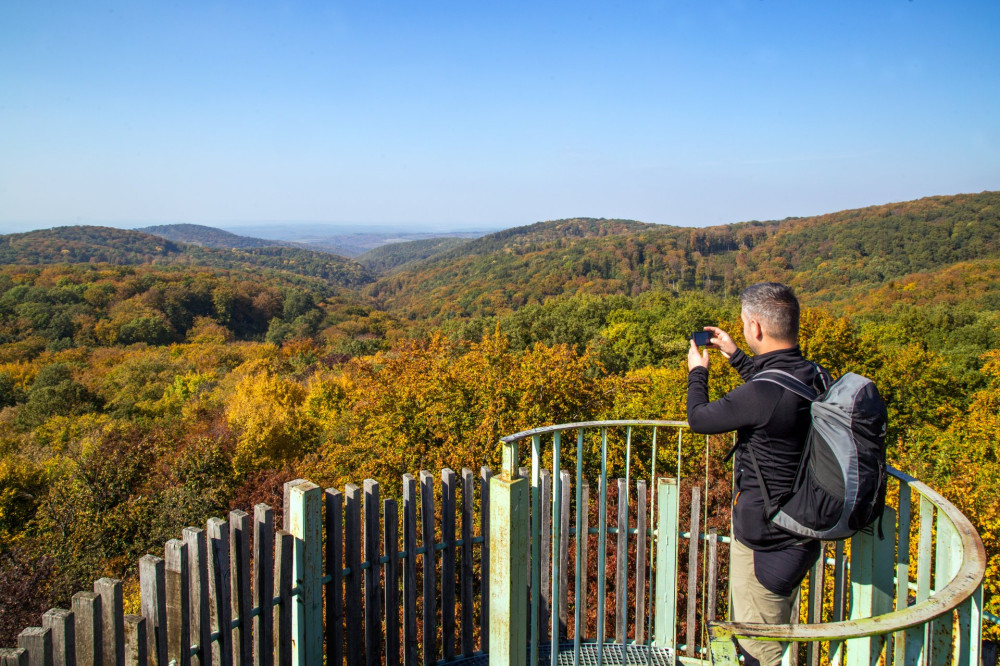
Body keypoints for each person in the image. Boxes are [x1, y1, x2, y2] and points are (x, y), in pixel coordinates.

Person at [686, 282, 823, 666]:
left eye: (746, 325)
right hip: (799, 528)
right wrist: (734, 355)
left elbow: (699, 419)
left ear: (757, 328)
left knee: (757, 652)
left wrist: (698, 372)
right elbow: (773, 387)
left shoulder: (763, 395)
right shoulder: (812, 375)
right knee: (760, 638)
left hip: (768, 540)